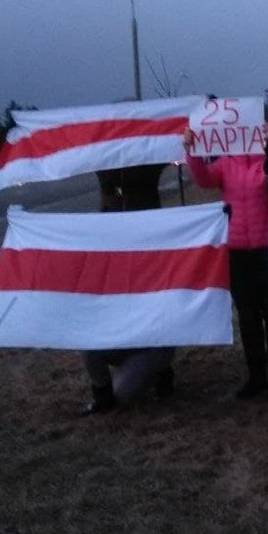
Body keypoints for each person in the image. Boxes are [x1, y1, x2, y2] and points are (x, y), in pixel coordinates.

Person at [183, 126, 268, 399]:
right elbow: (203, 179)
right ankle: (257, 377)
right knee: (248, 316)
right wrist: (191, 150)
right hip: (237, 252)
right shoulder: (226, 163)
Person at [80, 163, 176, 416]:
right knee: (89, 344)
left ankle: (161, 370)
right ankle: (102, 394)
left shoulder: (147, 162)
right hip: (114, 240)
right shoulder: (105, 165)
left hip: (148, 241)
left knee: (123, 394)